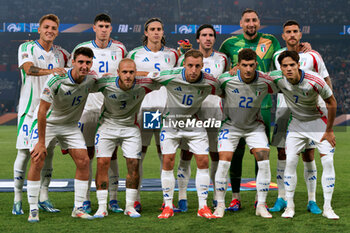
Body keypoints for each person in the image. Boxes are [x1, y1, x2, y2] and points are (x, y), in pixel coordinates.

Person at [219, 9, 281, 210]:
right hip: (235, 106)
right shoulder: (229, 44)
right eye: (247, 21)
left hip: (262, 106)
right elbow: (223, 72)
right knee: (234, 153)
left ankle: (258, 197)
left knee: (261, 153)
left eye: (254, 20)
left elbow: (281, 63)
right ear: (241, 23)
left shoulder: (271, 41)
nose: (251, 23)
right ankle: (235, 197)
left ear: (259, 22)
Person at [26, 47, 97, 222]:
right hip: (47, 122)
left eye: (88, 62)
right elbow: (42, 111)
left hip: (70, 126)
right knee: (37, 158)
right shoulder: (56, 79)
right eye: (80, 62)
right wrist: (41, 143)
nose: (84, 66)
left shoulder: (91, 79)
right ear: (72, 62)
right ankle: (33, 208)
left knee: (84, 161)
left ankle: (78, 208)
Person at [270, 20, 332, 213]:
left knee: (309, 153)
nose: (292, 35)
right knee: (283, 153)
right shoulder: (277, 56)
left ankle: (311, 200)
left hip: (310, 110)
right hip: (284, 108)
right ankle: (282, 198)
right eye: (288, 32)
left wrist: (326, 104)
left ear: (300, 34)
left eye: (295, 31)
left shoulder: (313, 56)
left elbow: (326, 80)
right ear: (283, 35)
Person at [150, 49, 220, 219]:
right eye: (190, 65)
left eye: (197, 66)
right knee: (168, 161)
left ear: (203, 66)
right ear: (184, 64)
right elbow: (148, 76)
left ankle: (202, 206)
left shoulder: (211, 81)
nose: (193, 70)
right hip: (171, 123)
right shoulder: (170, 75)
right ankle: (168, 206)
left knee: (203, 161)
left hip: (193, 122)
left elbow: (224, 88)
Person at [70, 13, 127, 214]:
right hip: (87, 109)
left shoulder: (120, 49)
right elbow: (74, 77)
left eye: (107, 26)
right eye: (100, 26)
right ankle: (85, 199)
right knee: (87, 155)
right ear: (94, 28)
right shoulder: (82, 50)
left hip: (110, 111)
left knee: (110, 155)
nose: (104, 29)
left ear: (111, 29)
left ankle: (113, 199)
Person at [13, 14, 69, 215]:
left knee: (48, 154)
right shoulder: (27, 48)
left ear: (57, 31)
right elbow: (29, 69)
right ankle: (17, 198)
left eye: (54, 28)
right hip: (29, 110)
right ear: (39, 29)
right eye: (46, 27)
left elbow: (74, 70)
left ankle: (44, 196)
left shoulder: (62, 54)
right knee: (24, 153)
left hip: (51, 112)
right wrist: (53, 72)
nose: (50, 30)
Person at [214, 48, 278, 218]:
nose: (248, 69)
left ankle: (261, 205)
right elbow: (214, 91)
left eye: (251, 65)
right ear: (238, 65)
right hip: (230, 126)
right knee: (224, 162)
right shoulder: (226, 79)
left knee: (264, 161)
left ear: (256, 64)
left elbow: (283, 83)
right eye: (244, 65)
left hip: (254, 126)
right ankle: (220, 205)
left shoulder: (266, 80)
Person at [93, 58, 160, 218]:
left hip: (130, 128)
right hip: (107, 127)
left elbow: (162, 77)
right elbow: (85, 84)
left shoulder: (144, 83)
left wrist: (147, 73)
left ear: (136, 73)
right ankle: (102, 207)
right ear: (118, 73)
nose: (128, 76)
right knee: (102, 163)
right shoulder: (105, 83)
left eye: (131, 72)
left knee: (133, 164)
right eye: (124, 72)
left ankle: (130, 206)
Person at [175, 24, 228, 211]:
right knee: (186, 154)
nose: (208, 38)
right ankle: (182, 197)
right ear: (198, 39)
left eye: (211, 35)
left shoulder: (222, 59)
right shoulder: (184, 58)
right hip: (191, 112)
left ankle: (214, 195)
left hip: (214, 111)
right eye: (204, 35)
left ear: (214, 38)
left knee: (214, 154)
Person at [127, 17, 178, 212]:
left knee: (165, 155)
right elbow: (127, 73)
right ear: (146, 33)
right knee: (139, 154)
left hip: (166, 109)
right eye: (152, 29)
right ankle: (136, 198)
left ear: (163, 33)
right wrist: (147, 74)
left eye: (159, 29)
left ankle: (167, 201)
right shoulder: (135, 54)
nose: (156, 32)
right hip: (144, 109)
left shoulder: (172, 55)